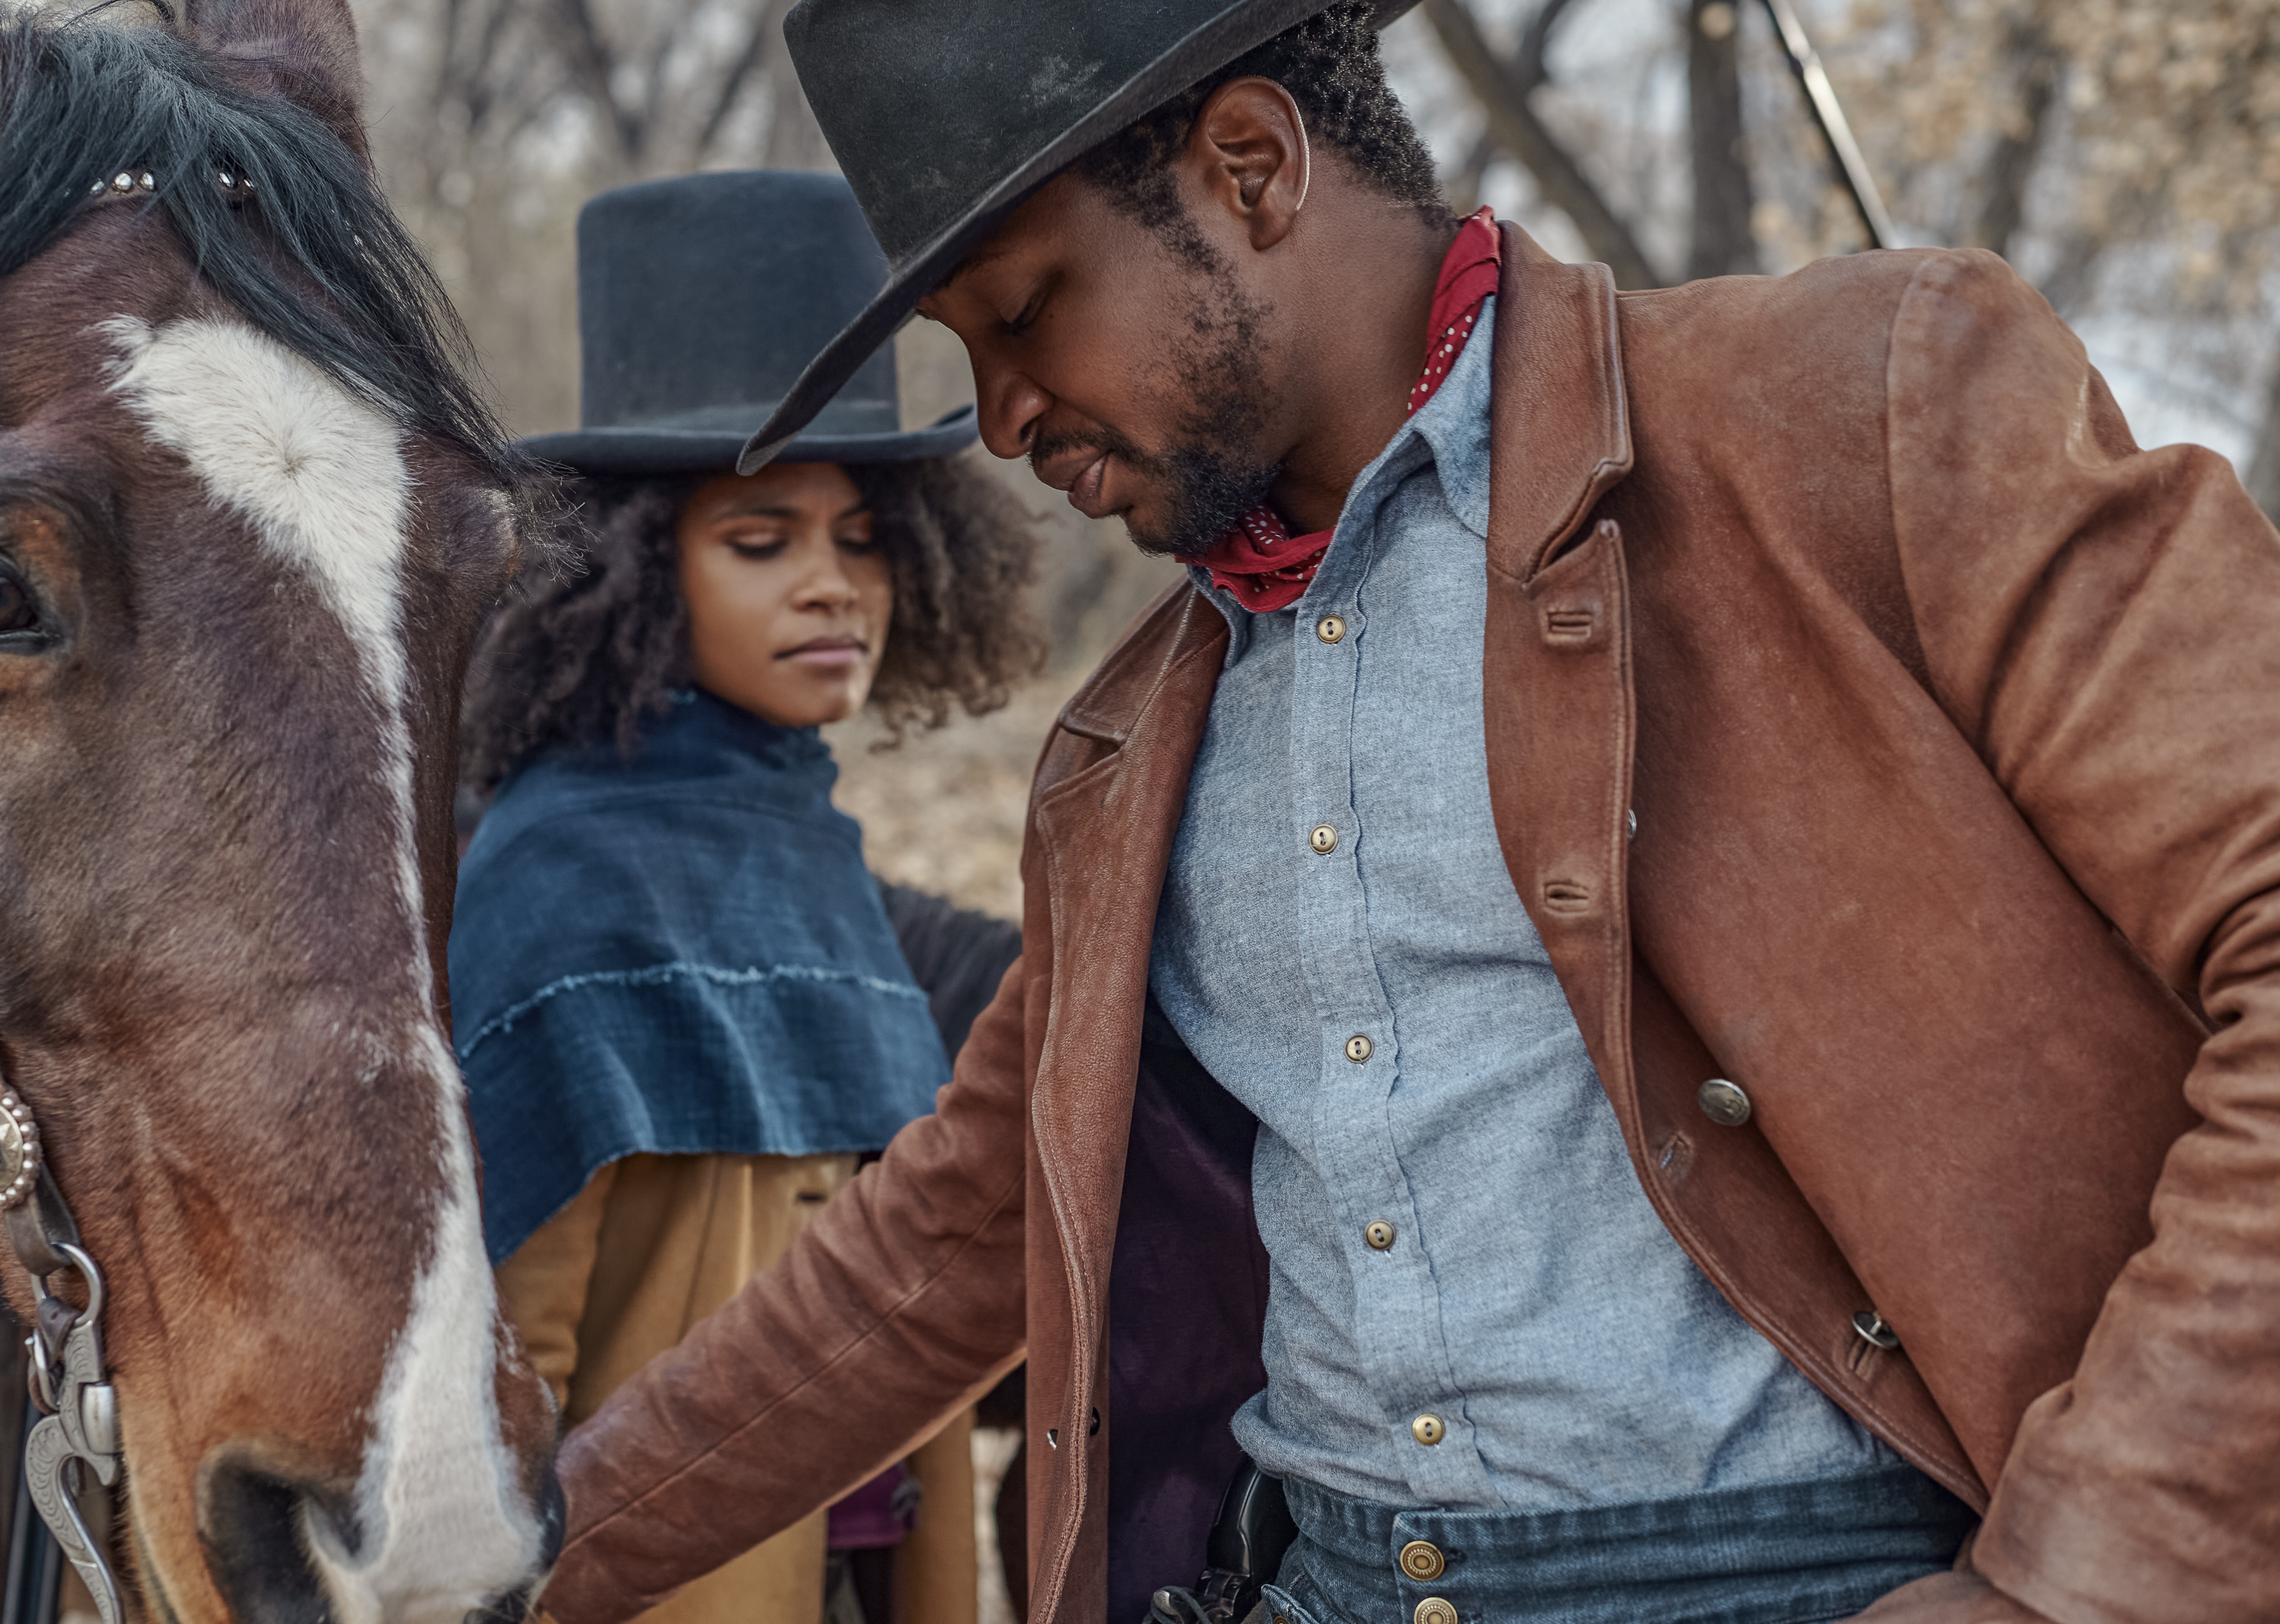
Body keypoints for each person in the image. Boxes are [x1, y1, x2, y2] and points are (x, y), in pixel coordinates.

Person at [536, 6, 2280, 1623]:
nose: (997, 421)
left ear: (1250, 165)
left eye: (1022, 312)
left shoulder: (1873, 403)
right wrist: (501, 1568)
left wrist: (2086, 1578)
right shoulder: (1124, 746)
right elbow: (951, 1245)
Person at [448, 170, 1038, 1624]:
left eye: (861, 535)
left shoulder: (806, 837)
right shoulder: (562, 861)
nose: (833, 585)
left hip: (863, 1556)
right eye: (761, 540)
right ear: (642, 571)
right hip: (657, 1582)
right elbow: (512, 1342)